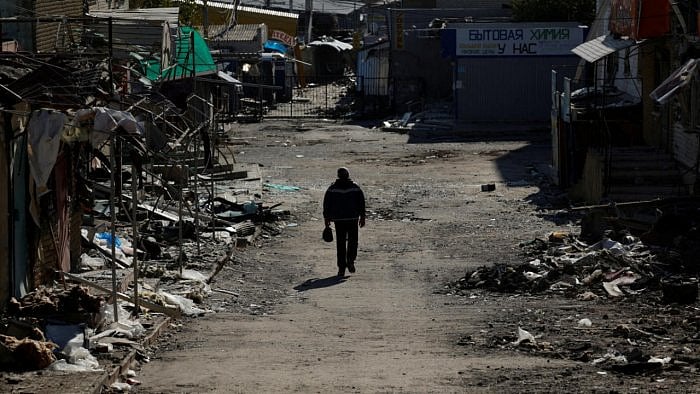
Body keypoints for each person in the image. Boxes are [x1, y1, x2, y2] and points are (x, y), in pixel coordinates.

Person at [323, 167, 366, 277]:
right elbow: (361, 203)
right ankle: (350, 261)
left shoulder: (332, 189)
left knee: (340, 244)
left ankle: (341, 268)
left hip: (339, 220)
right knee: (353, 241)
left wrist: (326, 218)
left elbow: (326, 204)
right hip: (352, 219)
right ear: (348, 175)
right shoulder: (355, 187)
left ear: (338, 176)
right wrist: (362, 217)